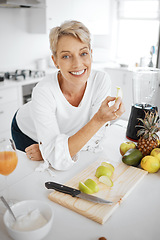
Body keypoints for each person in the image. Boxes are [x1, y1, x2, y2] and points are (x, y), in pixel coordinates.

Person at [11, 20, 125, 171]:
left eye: (83, 53)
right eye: (66, 56)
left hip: (63, 134)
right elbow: (59, 162)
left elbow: (96, 138)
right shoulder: (44, 90)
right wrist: (51, 152)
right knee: (35, 178)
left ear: (91, 54)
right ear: (55, 61)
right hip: (27, 130)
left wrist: (52, 151)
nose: (77, 64)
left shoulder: (100, 80)